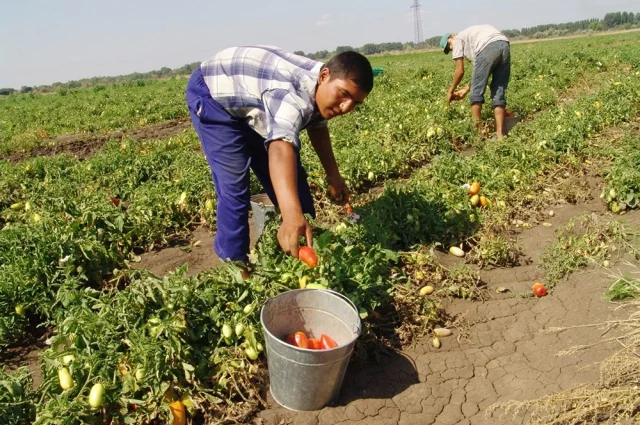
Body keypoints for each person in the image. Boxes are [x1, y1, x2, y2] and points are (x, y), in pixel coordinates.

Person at [185, 46, 373, 267]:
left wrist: (334, 175)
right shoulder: (290, 97)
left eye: (355, 103)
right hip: (214, 91)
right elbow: (280, 149)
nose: (346, 107)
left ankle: (303, 250)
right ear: (324, 76)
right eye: (344, 95)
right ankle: (236, 268)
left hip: (252, 93)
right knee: (235, 187)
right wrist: (291, 214)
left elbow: (317, 126)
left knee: (293, 183)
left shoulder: (323, 88)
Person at [440, 25, 511, 140]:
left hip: (488, 46)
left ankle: (479, 135)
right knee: (499, 90)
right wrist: (465, 89)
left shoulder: (458, 40)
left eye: (449, 44)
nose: (451, 48)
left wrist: (450, 91)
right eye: (448, 49)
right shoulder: (471, 40)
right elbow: (480, 76)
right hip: (504, 44)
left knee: (476, 94)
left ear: (453, 36)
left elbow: (460, 71)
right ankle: (500, 135)